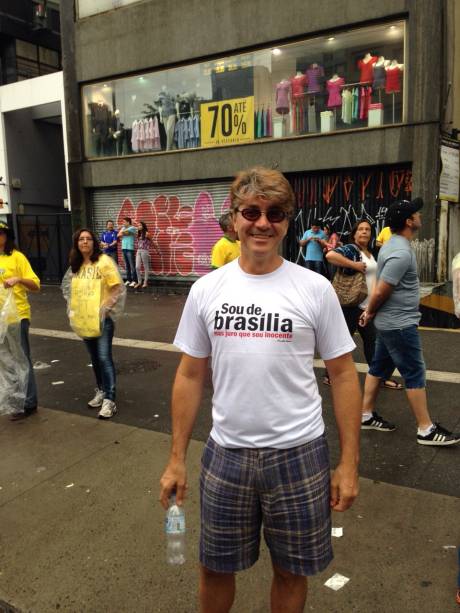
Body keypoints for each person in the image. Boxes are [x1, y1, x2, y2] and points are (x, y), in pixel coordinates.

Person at [159, 167, 362, 613]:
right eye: (251, 212)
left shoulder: (314, 289)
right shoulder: (207, 290)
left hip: (299, 455)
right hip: (226, 454)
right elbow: (190, 375)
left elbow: (344, 375)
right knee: (214, 568)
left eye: (275, 213)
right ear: (234, 219)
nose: (262, 223)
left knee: (291, 571)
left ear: (289, 220)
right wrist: (176, 460)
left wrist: (348, 464)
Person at [359, 199, 460, 445]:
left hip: (390, 323)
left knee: (378, 368)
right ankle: (425, 429)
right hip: (399, 325)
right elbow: (382, 290)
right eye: (415, 213)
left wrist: (373, 313)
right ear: (408, 221)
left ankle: (366, 414)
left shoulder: (392, 246)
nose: (419, 216)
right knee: (414, 372)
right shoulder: (401, 252)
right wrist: (370, 312)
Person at [325, 219, 402, 390]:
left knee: (372, 343)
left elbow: (374, 278)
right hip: (351, 305)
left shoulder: (371, 253)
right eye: (360, 229)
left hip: (367, 307)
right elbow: (330, 255)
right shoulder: (352, 249)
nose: (364, 232)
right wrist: (354, 265)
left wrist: (374, 304)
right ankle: (330, 375)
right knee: (343, 343)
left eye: (367, 229)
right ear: (354, 234)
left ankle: (380, 377)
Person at [64, 229, 125, 420]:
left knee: (104, 357)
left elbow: (117, 288)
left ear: (94, 242)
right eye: (81, 239)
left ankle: (110, 400)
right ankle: (101, 390)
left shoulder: (104, 262)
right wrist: (73, 310)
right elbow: (70, 289)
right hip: (84, 319)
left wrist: (104, 309)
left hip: (102, 320)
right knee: (95, 358)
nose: (84, 242)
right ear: (76, 243)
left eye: (88, 239)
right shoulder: (76, 264)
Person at [0, 221, 40, 421]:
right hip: (0, 320)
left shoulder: (17, 257)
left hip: (17, 317)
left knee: (22, 359)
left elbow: (36, 284)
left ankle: (29, 402)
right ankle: (13, 400)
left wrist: (18, 279)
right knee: (5, 361)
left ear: (7, 236)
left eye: (1, 233)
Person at [118, 217, 138, 287]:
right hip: (124, 248)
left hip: (130, 248)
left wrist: (123, 232)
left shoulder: (132, 228)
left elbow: (123, 233)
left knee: (132, 265)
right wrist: (123, 232)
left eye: (124, 222)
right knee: (127, 265)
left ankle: (134, 280)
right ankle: (128, 280)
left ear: (128, 222)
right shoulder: (123, 228)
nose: (123, 223)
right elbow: (118, 235)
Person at [134, 220, 152, 289]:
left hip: (145, 251)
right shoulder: (138, 234)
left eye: (140, 225)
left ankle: (145, 282)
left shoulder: (147, 234)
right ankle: (139, 282)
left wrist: (157, 250)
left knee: (145, 267)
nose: (138, 226)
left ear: (143, 226)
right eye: (138, 225)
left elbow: (152, 242)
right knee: (137, 267)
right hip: (138, 251)